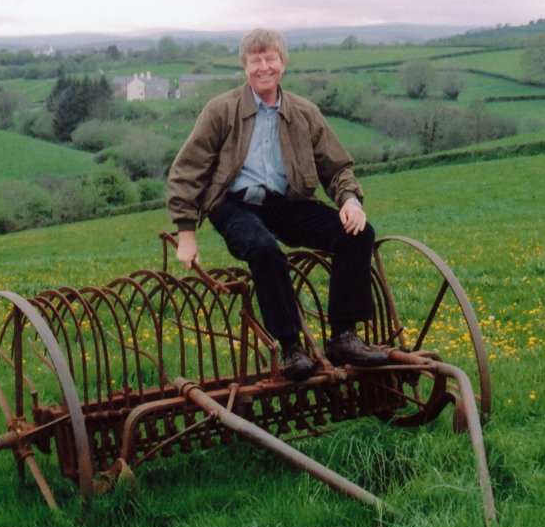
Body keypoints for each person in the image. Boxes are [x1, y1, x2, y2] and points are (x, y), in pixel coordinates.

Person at [167, 28, 389, 381]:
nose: (263, 67)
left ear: (283, 64)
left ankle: (344, 337)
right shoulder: (220, 111)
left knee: (357, 234)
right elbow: (187, 171)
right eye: (255, 60)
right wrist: (186, 232)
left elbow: (336, 166)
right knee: (264, 249)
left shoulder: (304, 113)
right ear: (245, 66)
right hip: (234, 204)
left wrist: (349, 200)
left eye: (270, 58)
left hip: (287, 202)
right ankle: (291, 347)